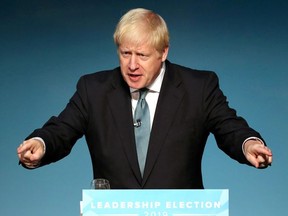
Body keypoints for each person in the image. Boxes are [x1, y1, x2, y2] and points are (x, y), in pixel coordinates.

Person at [17, 8, 272, 189]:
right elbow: (62, 129)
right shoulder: (93, 89)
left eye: (142, 55)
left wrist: (248, 144)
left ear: (163, 52)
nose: (132, 65)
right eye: (125, 53)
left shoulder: (199, 88)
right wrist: (41, 144)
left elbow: (229, 126)